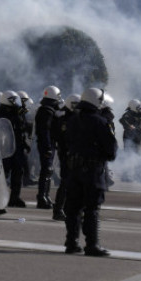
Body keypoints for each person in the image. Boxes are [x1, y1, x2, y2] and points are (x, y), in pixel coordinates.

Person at [62, 87, 117, 257]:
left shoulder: (72, 119)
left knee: (73, 207)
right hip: (92, 170)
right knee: (92, 208)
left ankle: (71, 243)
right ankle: (92, 245)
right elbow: (111, 151)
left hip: (73, 168)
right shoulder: (100, 122)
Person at [0, 91, 29, 207]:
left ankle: (15, 197)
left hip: (17, 148)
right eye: (13, 100)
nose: (16, 103)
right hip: (5, 149)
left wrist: (25, 144)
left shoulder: (19, 113)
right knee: (3, 174)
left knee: (18, 173)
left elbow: (21, 130)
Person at [52, 93, 81, 221]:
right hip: (66, 153)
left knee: (74, 183)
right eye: (74, 104)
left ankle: (68, 209)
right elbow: (62, 136)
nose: (76, 107)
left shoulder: (77, 116)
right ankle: (58, 210)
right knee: (65, 183)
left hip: (75, 153)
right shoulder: (63, 116)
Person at [34, 86, 61, 210]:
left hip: (48, 144)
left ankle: (45, 195)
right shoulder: (47, 111)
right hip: (47, 144)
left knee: (48, 171)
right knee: (46, 170)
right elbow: (44, 131)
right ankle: (42, 197)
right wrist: (48, 147)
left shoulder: (46, 110)